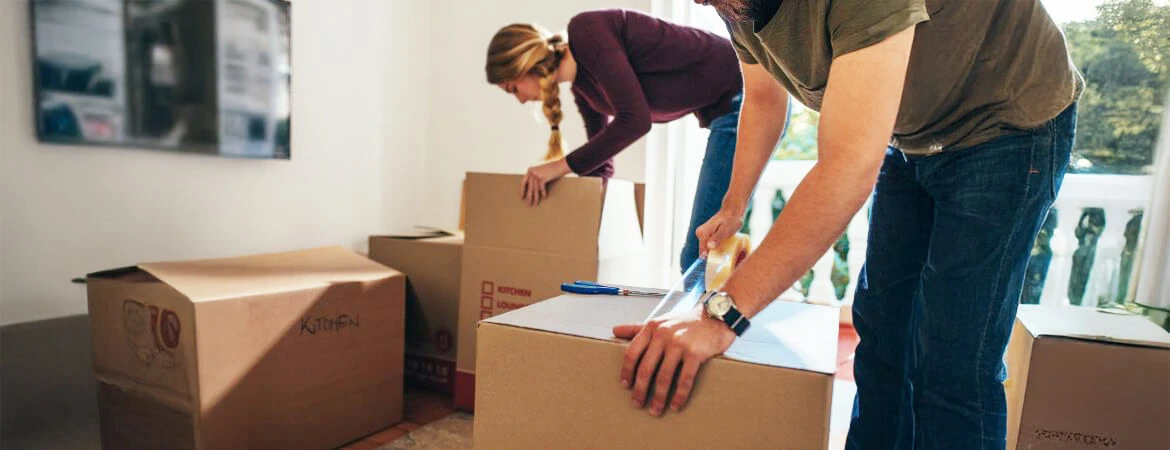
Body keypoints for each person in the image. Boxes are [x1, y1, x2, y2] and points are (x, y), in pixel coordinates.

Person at [613, 1, 1082, 449]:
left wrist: (722, 315)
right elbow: (761, 96)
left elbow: (847, 168)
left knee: (951, 359)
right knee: (881, 334)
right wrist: (733, 205)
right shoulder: (737, 6)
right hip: (911, 137)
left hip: (1006, 125)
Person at [485, 9, 757, 271]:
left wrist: (556, 167)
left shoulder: (587, 32)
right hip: (729, 107)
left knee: (699, 257)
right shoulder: (585, 90)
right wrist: (575, 231)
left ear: (523, 64)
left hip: (747, 96)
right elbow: (601, 167)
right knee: (707, 256)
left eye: (512, 89)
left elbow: (635, 120)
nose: (520, 99)